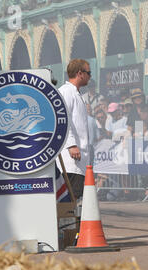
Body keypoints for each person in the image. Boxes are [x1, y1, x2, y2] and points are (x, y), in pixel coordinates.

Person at [56, 59, 92, 200]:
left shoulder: (76, 94)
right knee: (71, 197)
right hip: (71, 157)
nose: (90, 76)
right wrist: (71, 144)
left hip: (79, 156)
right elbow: (63, 120)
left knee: (77, 195)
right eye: (88, 73)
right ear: (80, 73)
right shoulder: (66, 92)